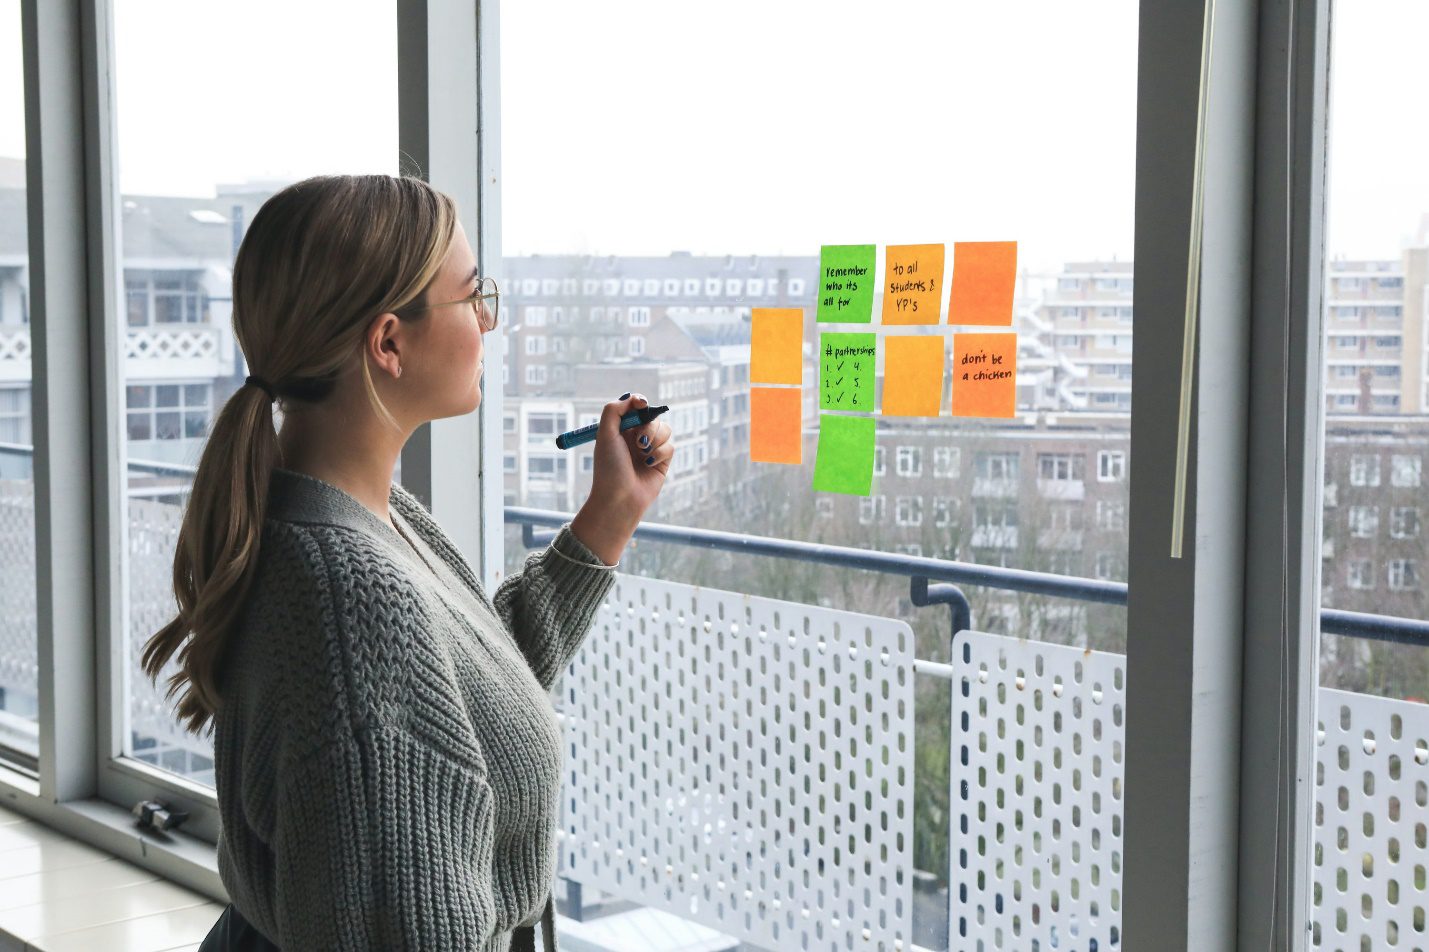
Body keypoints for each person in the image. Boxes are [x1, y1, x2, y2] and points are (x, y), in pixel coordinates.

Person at [140, 174, 672, 951]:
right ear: (388, 342)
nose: (488, 321)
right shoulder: (350, 596)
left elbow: (461, 716)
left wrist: (607, 519)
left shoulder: (356, 519)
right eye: (471, 296)